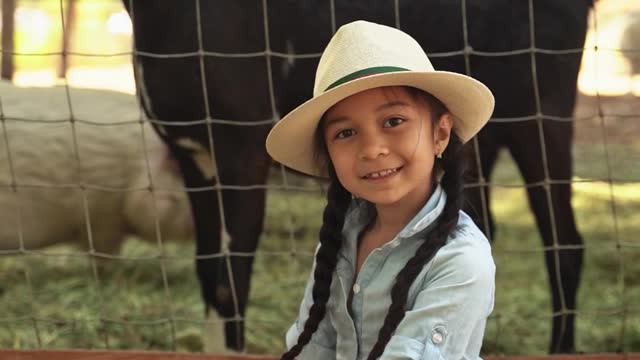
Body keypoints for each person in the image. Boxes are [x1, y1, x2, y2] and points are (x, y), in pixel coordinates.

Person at [265, 20, 496, 360]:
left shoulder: (460, 262)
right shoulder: (339, 241)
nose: (372, 150)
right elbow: (313, 346)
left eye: (393, 122)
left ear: (440, 134)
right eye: (345, 133)